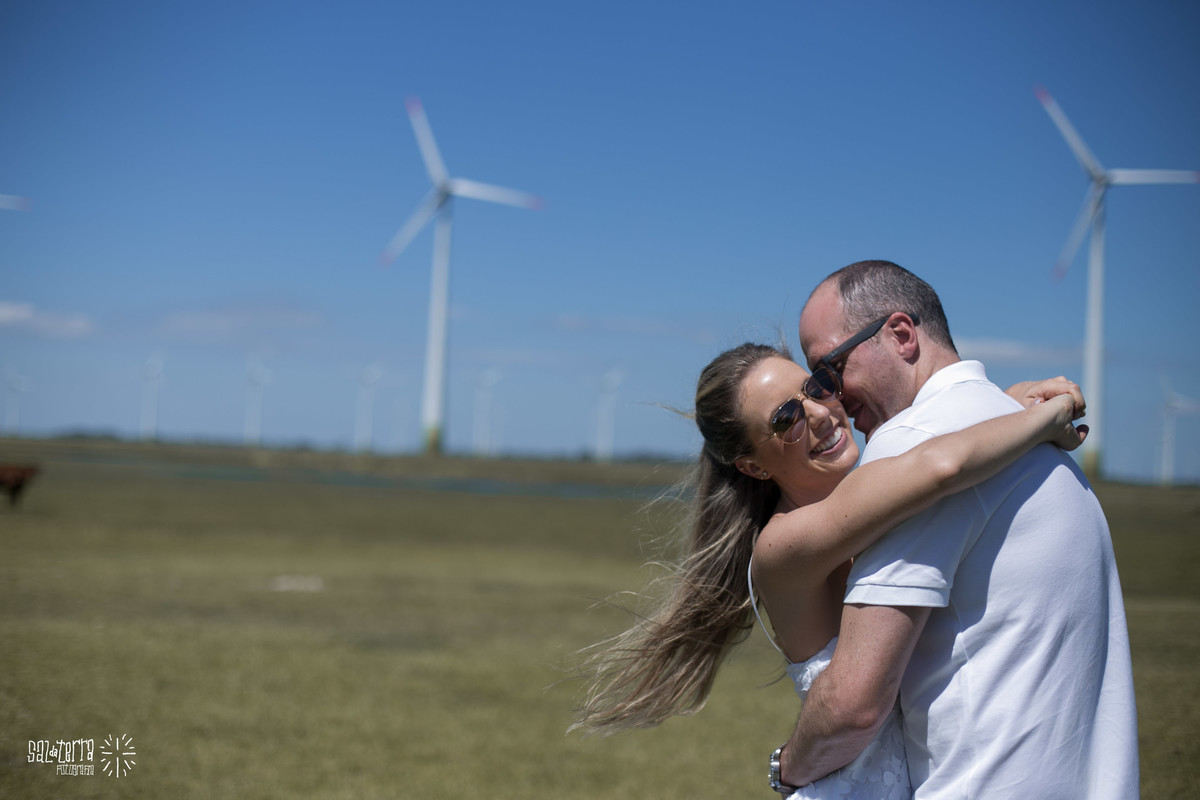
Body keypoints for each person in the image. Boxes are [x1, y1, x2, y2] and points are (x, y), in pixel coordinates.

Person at [571, 339, 1089, 798]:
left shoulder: (873, 493)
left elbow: (935, 453)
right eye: (784, 420)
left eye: (816, 387)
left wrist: (1004, 401)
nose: (818, 414)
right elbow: (939, 466)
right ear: (753, 466)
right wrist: (1047, 416)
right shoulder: (784, 545)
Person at [775, 260, 1138, 798]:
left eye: (829, 370)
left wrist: (785, 771)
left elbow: (855, 704)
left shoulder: (912, 446)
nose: (832, 400)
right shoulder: (1031, 440)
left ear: (900, 334)